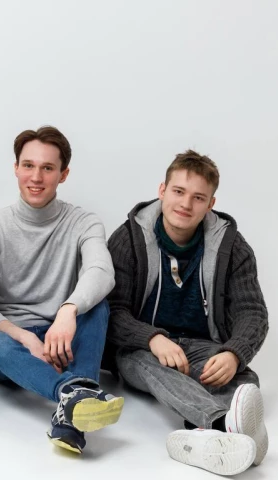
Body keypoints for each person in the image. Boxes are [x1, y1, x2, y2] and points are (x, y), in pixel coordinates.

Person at [106, 150, 269, 476]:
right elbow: (111, 310)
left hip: (201, 347)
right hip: (143, 350)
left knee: (245, 379)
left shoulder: (232, 247)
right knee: (148, 365)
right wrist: (152, 338)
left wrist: (234, 354)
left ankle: (200, 436)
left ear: (210, 204)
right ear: (162, 190)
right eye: (178, 192)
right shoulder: (128, 239)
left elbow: (252, 311)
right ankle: (219, 423)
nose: (186, 204)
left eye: (198, 197)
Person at [0, 126, 123, 454]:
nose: (36, 177)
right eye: (28, 165)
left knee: (97, 304)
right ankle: (75, 392)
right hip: (15, 345)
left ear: (63, 174)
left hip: (64, 340)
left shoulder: (84, 222)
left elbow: (101, 271)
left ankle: (72, 415)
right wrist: (26, 338)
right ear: (16, 168)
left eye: (48, 168)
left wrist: (68, 311)